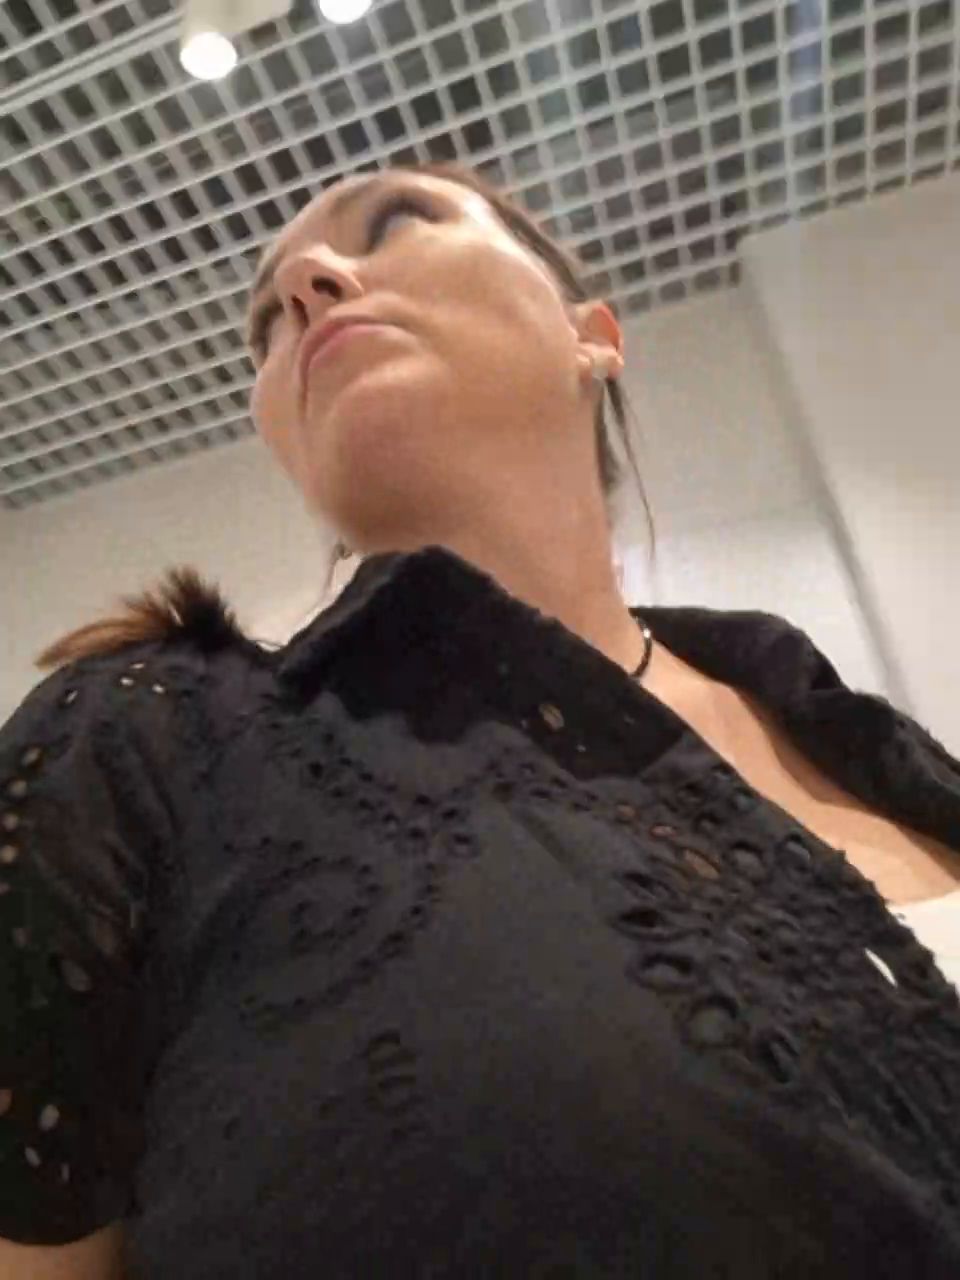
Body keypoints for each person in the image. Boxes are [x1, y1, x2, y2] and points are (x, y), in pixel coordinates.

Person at [1, 160, 959, 1279]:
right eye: (263, 325)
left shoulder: (869, 741)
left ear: (591, 334)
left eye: (396, 220)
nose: (306, 284)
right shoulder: (148, 747)